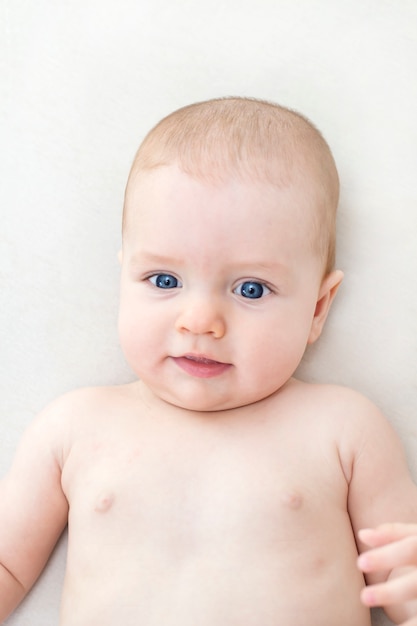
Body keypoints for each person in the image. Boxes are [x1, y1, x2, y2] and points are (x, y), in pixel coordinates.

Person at [1, 97, 417, 626]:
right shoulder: (73, 427)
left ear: (317, 308)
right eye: (165, 281)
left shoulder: (345, 429)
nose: (200, 320)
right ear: (123, 277)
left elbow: (400, 580)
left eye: (250, 288)